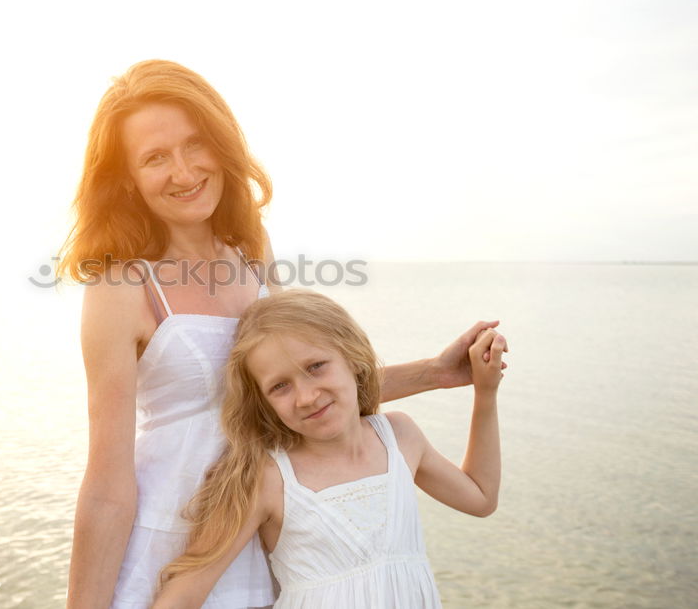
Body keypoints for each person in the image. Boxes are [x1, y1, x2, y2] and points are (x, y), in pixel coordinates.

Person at [59, 60, 507, 608]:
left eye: (194, 144)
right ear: (127, 177)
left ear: (221, 143)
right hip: (173, 537)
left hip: (276, 527)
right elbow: (107, 485)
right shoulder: (121, 287)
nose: (182, 172)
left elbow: (298, 392)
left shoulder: (252, 249)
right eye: (154, 158)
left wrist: (436, 374)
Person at [153, 289, 504, 608]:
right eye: (280, 387)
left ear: (352, 357)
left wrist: (485, 394)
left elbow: (480, 498)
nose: (306, 397)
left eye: (316, 367)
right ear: (264, 402)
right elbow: (185, 592)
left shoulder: (400, 437)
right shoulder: (268, 478)